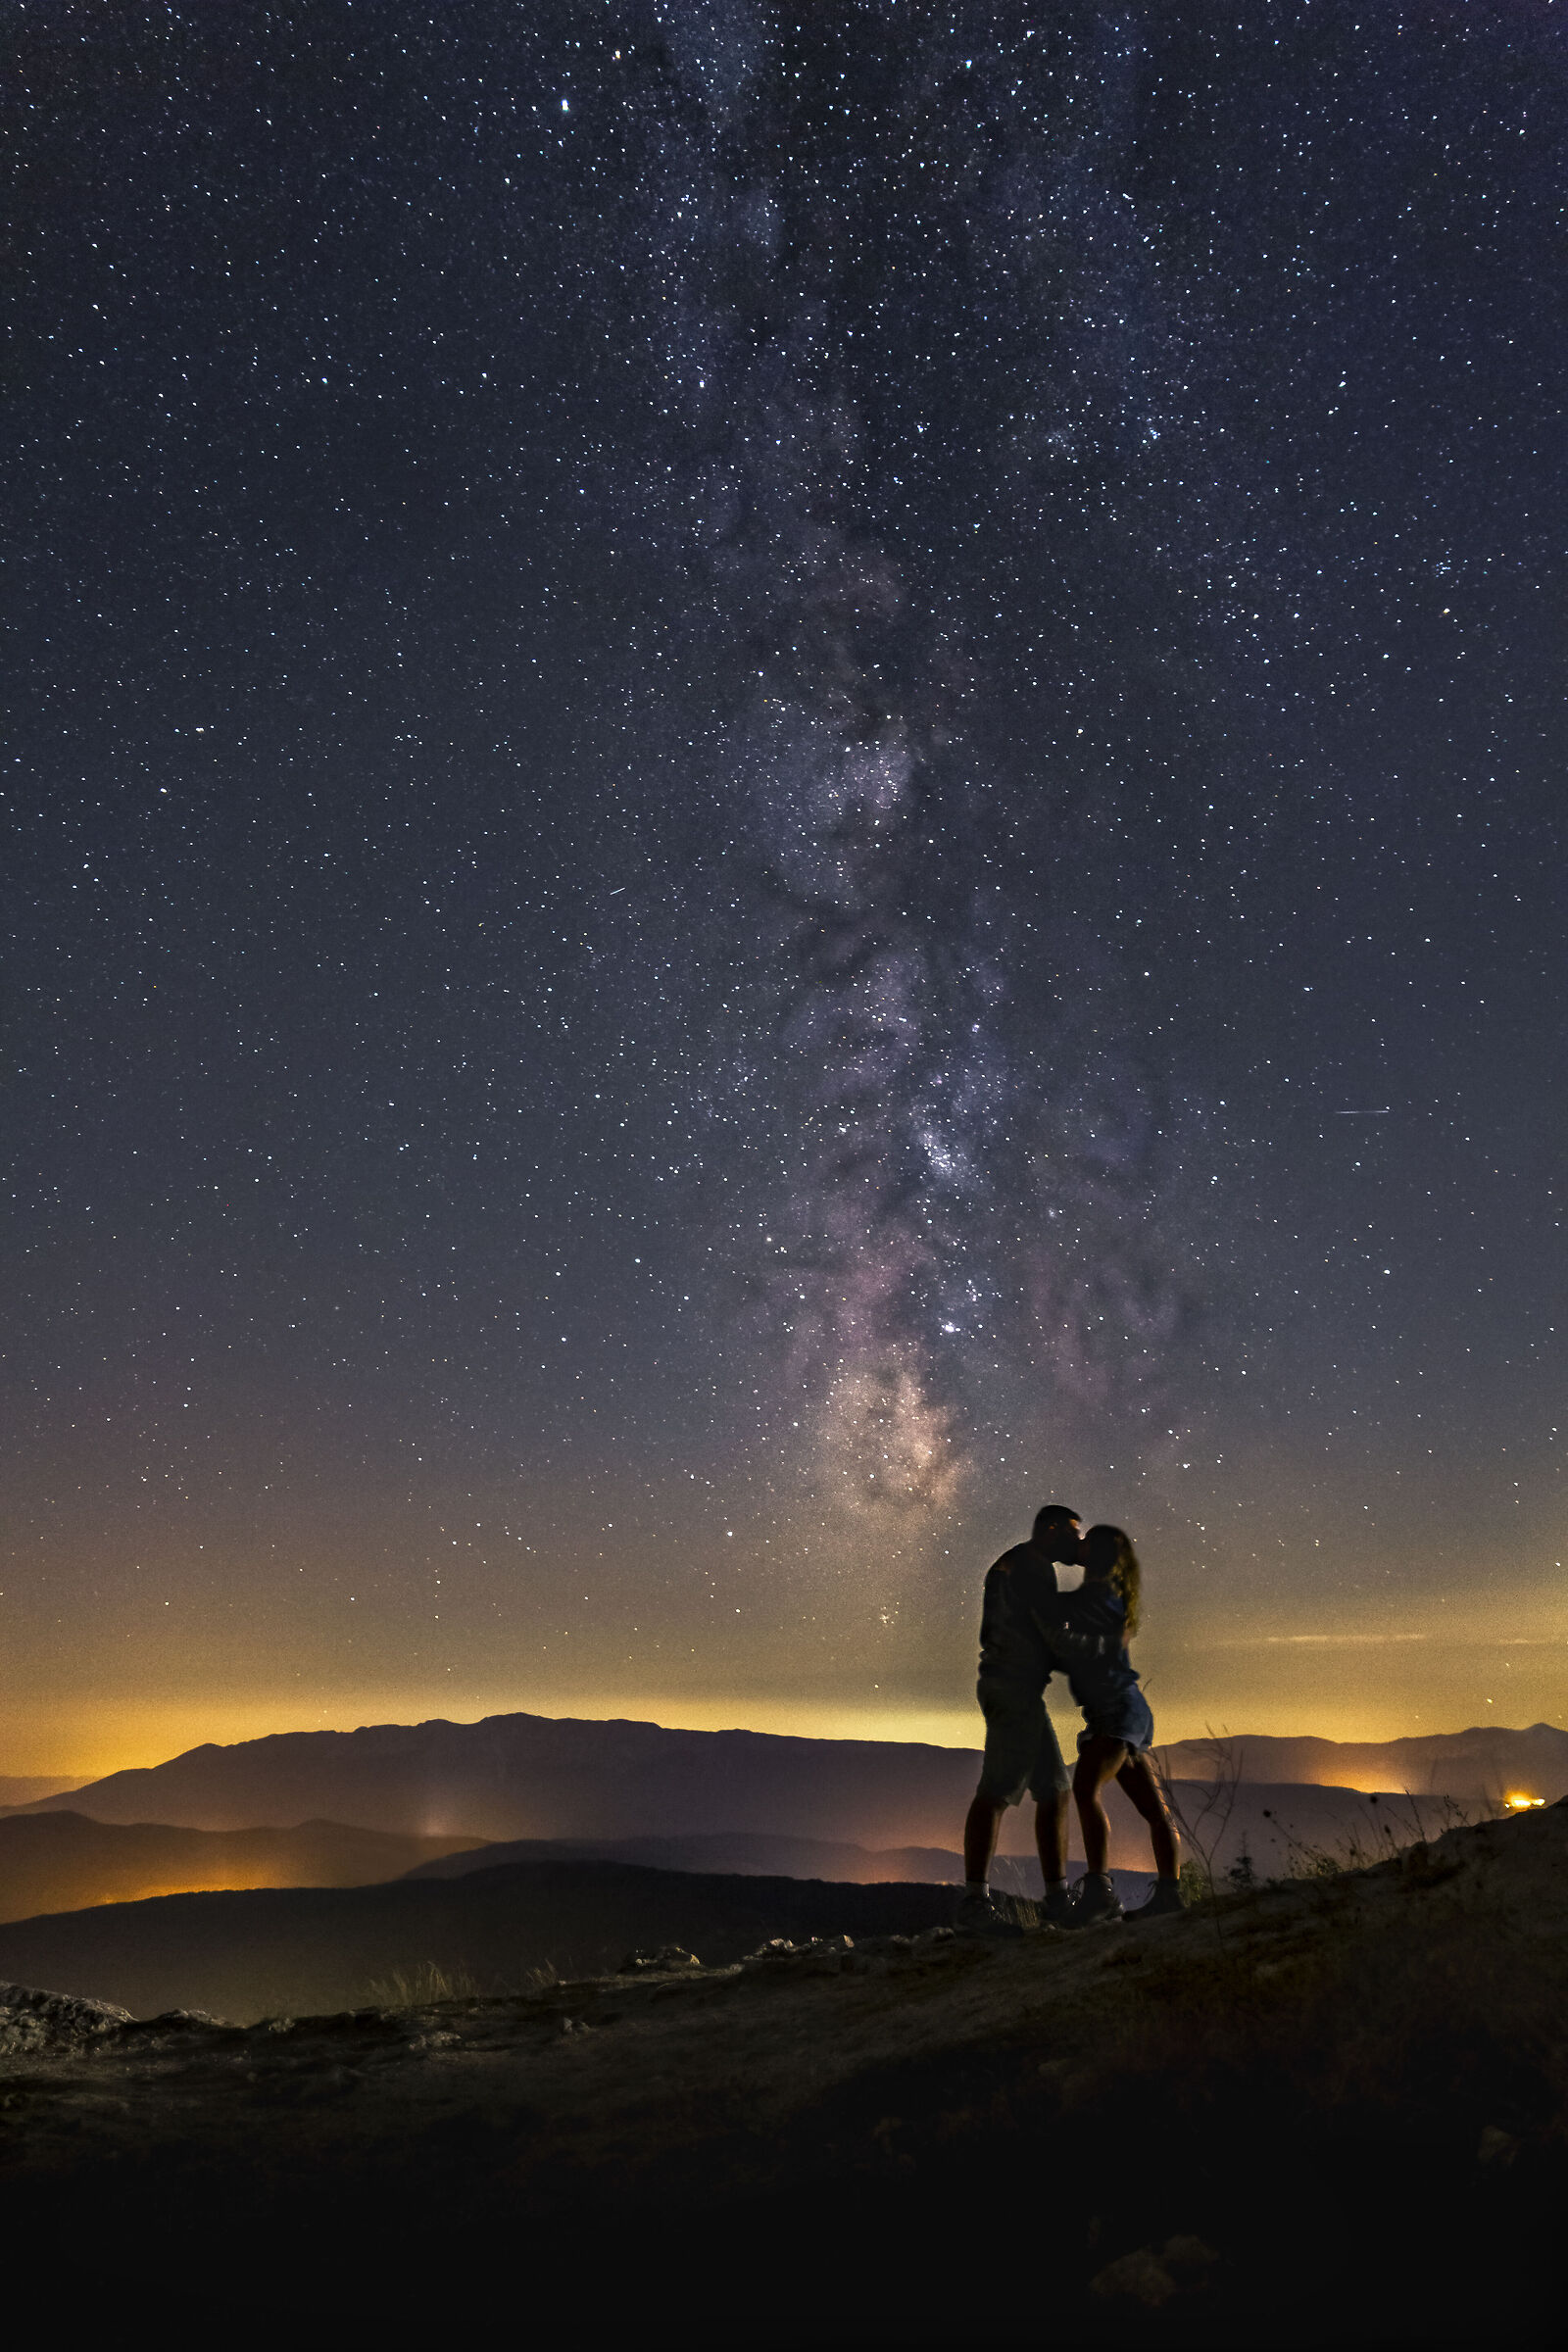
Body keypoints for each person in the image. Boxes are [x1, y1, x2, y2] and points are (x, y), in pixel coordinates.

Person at [956, 1503, 1084, 1936]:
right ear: (1049, 1531)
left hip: (1010, 1687)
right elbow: (1051, 1632)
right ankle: (977, 1902)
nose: (1077, 1543)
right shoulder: (1032, 1569)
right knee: (996, 1792)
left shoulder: (1018, 1564)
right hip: (1013, 1689)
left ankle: (1056, 1898)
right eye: (1071, 1534)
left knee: (1055, 1790)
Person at [1056, 1523, 1182, 1924]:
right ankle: (1170, 1894)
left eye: (1087, 1542)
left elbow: (1057, 1619)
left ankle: (1100, 1892)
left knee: (1085, 1787)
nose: (1080, 1544)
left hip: (1116, 1710)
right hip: (1125, 1710)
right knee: (1153, 1810)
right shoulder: (1111, 1599)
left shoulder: (1096, 1597)